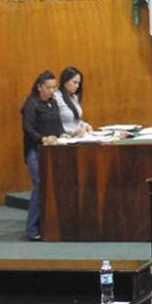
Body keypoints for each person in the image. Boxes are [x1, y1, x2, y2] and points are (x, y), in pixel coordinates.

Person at [20, 70, 63, 241]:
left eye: (54, 87)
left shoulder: (53, 102)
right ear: (39, 87)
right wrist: (43, 139)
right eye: (48, 88)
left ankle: (48, 226)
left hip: (52, 151)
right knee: (40, 185)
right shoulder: (31, 103)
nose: (52, 91)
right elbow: (28, 129)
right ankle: (32, 228)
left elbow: (57, 124)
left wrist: (62, 134)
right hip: (35, 151)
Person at [53, 66, 92, 137]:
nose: (77, 86)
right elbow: (54, 123)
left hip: (77, 135)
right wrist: (73, 132)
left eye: (79, 83)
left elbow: (74, 120)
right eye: (75, 82)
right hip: (64, 137)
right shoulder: (56, 97)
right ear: (65, 82)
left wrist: (85, 125)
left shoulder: (74, 97)